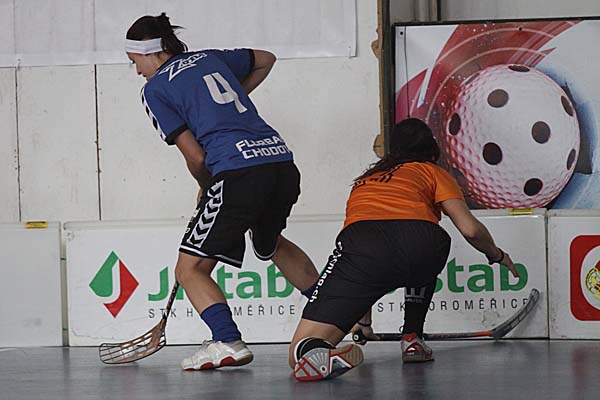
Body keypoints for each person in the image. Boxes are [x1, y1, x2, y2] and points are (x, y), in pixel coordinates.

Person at [125, 13, 319, 371]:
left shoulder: (155, 90)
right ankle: (340, 313)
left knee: (190, 269)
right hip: (280, 163)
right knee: (270, 242)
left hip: (237, 170)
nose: (137, 71)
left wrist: (205, 186)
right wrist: (226, 102)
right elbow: (265, 59)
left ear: (152, 52)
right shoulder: (211, 58)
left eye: (135, 61)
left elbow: (197, 157)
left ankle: (227, 341)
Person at [289, 118, 519, 381]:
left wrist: (363, 322)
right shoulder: (432, 172)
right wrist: (496, 255)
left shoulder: (364, 181)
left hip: (363, 245)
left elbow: (362, 270)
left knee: (298, 352)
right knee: (422, 253)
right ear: (431, 147)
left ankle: (315, 351)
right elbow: (470, 230)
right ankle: (412, 339)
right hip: (422, 243)